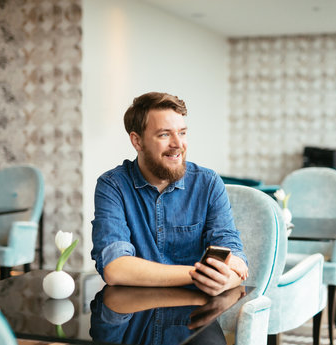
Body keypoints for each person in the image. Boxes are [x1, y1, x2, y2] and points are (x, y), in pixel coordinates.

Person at [91, 92, 248, 297]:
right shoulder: (113, 186)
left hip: (194, 317)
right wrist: (200, 272)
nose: (178, 144)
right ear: (137, 141)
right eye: (164, 134)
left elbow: (235, 259)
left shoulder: (208, 183)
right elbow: (115, 269)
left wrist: (227, 279)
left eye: (182, 133)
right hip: (135, 314)